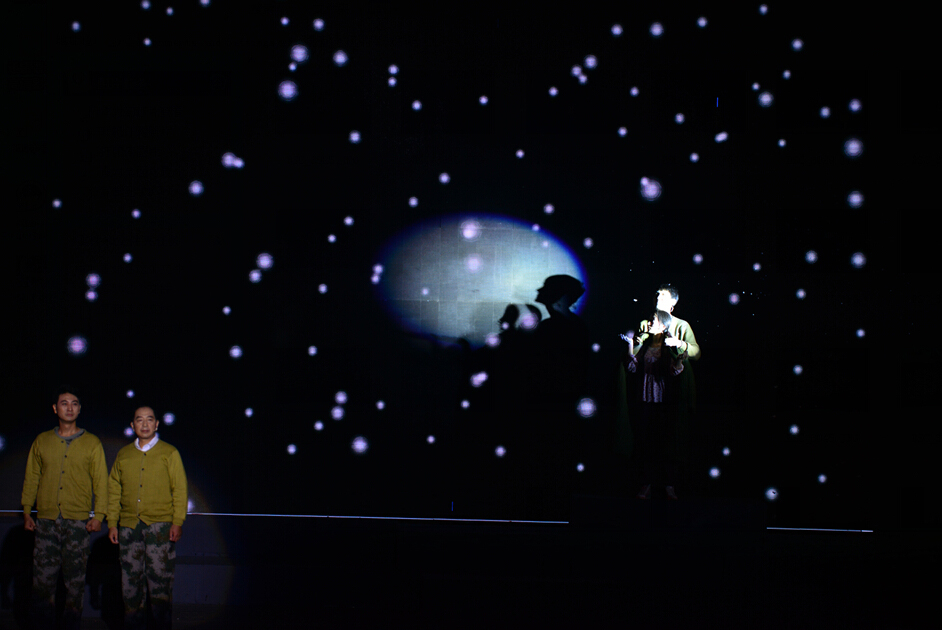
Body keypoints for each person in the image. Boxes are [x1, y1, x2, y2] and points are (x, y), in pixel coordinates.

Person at [21, 386, 109, 630]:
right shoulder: (42, 441)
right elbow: (32, 477)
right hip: (46, 522)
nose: (69, 408)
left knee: (74, 583)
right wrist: (27, 511)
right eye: (64, 403)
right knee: (42, 582)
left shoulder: (92, 443)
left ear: (79, 409)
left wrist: (99, 515)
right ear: (55, 408)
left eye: (74, 403)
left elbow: (101, 482)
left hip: (77, 523)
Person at [107, 406, 187, 630]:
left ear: (157, 424)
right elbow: (114, 490)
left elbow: (180, 489)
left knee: (160, 584)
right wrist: (112, 523)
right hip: (128, 527)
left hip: (160, 527)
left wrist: (177, 521)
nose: (144, 424)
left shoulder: (169, 453)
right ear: (132, 425)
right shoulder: (124, 454)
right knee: (130, 584)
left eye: (149, 419)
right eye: (139, 420)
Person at [624, 310, 687, 499]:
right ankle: (646, 485)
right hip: (645, 401)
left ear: (663, 326)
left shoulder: (668, 348)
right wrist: (630, 346)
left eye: (654, 321)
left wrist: (679, 360)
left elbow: (676, 371)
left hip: (664, 404)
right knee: (645, 444)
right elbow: (632, 367)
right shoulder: (644, 346)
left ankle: (668, 484)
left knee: (665, 444)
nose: (650, 323)